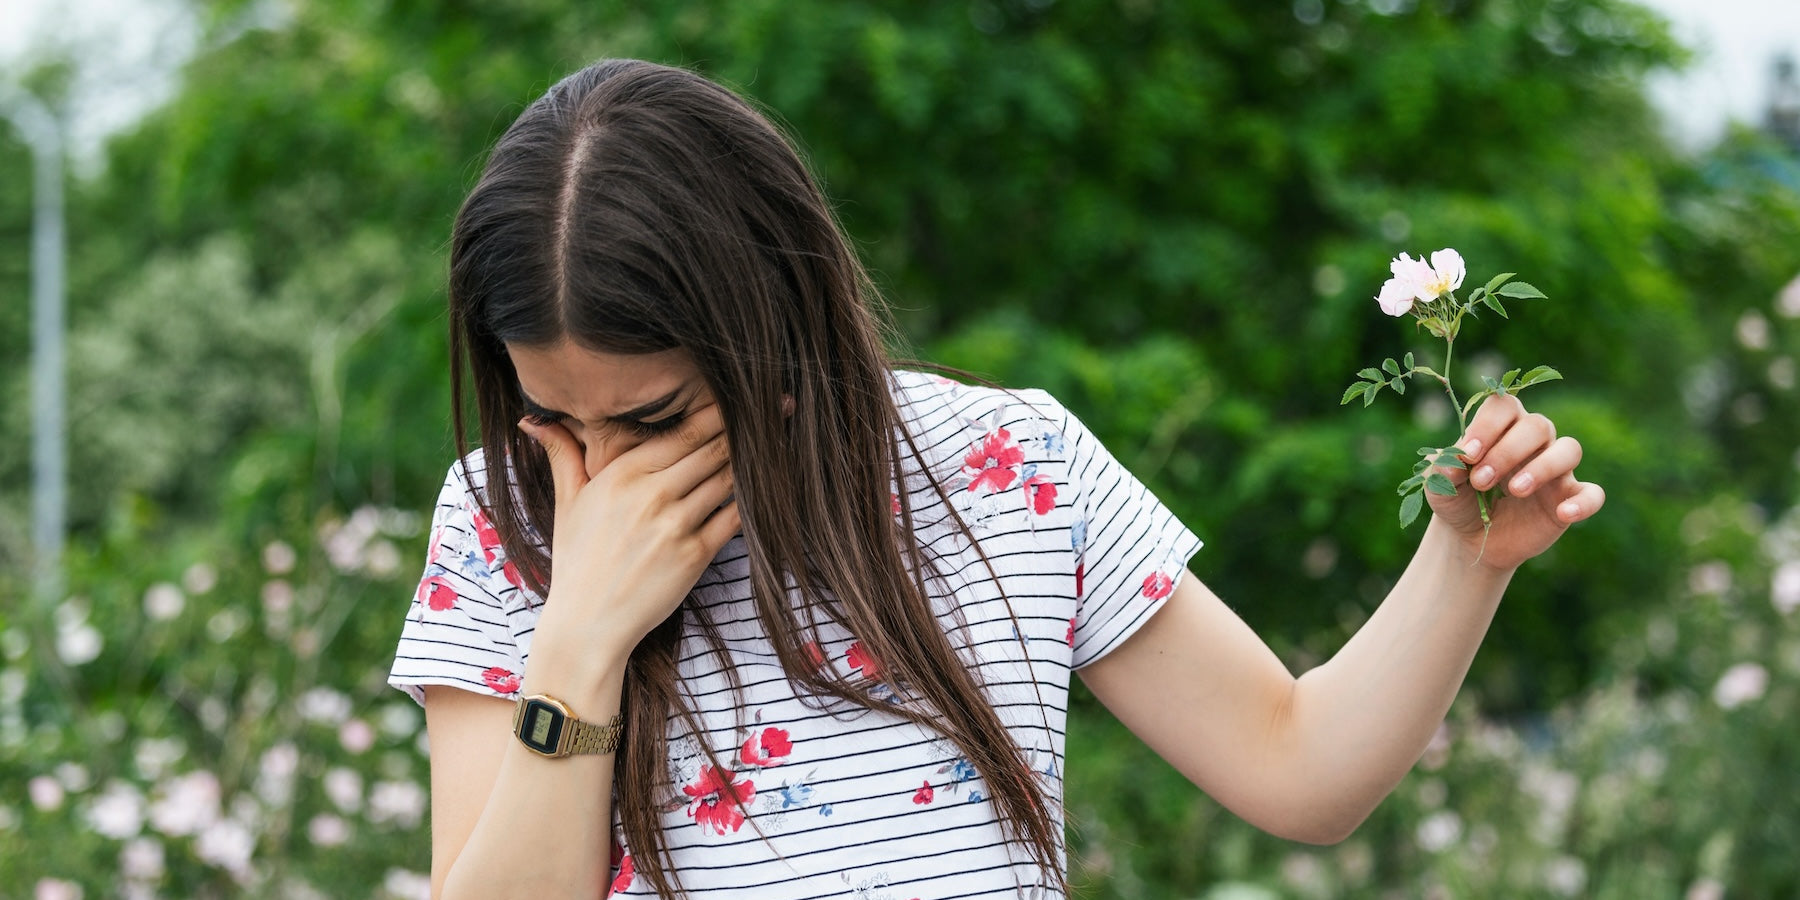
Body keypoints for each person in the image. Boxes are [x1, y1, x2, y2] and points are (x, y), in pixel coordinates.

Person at [387, 59, 1605, 900]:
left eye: (651, 416)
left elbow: (1299, 768)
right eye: (554, 417)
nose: (597, 469)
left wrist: (1464, 558)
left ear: (769, 320)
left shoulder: (1002, 461)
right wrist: (581, 639)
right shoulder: (503, 520)